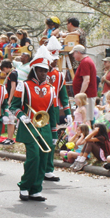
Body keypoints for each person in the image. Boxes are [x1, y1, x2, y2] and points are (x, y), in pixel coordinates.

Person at [10, 46, 55, 201]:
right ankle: (25, 185)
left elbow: (53, 111)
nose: (43, 73)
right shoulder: (24, 85)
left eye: (45, 71)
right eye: (40, 70)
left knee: (43, 158)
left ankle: (36, 188)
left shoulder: (51, 88)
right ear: (34, 70)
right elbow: (13, 106)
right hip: (29, 125)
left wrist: (54, 131)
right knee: (33, 157)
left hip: (45, 127)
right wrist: (21, 116)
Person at [44, 36, 69, 182]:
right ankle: (39, 166)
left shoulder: (59, 74)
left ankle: (49, 169)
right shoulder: (38, 72)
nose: (54, 61)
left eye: (55, 59)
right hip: (39, 110)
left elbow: (63, 95)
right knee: (41, 138)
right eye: (52, 58)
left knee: (53, 139)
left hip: (53, 110)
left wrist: (68, 112)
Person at [72, 44, 97, 120]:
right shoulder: (86, 61)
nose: (73, 56)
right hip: (87, 96)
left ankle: (87, 131)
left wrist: (80, 95)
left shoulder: (85, 62)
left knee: (85, 118)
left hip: (86, 96)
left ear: (78, 52)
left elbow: (86, 80)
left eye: (74, 53)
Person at [1, 59, 18, 145]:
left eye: (3, 69)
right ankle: (9, 137)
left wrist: (9, 100)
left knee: (11, 119)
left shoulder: (13, 74)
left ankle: (10, 138)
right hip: (10, 98)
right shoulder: (12, 73)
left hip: (12, 99)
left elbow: (13, 87)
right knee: (9, 120)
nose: (3, 72)